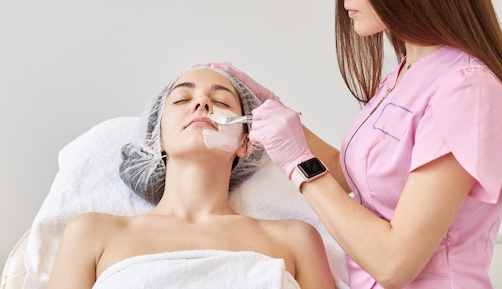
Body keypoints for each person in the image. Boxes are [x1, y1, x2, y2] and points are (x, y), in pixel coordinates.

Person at [204, 0, 502, 288]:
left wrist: (297, 163)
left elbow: (395, 263)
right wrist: (274, 113)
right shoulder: (405, 72)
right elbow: (356, 173)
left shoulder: (467, 90)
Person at [47, 66, 335, 289]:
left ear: (244, 143)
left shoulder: (296, 239)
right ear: (157, 138)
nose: (202, 102)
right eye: (183, 99)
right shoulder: (92, 233)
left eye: (221, 100)